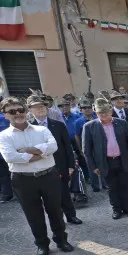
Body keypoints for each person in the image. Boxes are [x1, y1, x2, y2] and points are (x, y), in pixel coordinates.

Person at [0, 96, 74, 255]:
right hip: (23, 180)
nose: (18, 113)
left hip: (48, 176)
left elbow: (53, 146)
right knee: (33, 214)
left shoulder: (42, 130)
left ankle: (61, 240)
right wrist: (40, 152)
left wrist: (26, 150)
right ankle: (42, 244)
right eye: (12, 111)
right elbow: (10, 157)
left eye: (20, 109)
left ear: (25, 111)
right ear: (4, 114)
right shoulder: (3, 136)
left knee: (55, 211)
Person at [27, 95, 82, 225]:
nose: (40, 109)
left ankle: (71, 216)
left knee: (64, 192)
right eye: (36, 107)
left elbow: (67, 146)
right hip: (42, 167)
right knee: (50, 196)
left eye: (42, 106)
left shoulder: (58, 125)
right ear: (30, 110)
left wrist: (70, 165)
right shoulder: (29, 128)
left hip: (60, 165)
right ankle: (58, 219)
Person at [83, 98, 128, 219]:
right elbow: (86, 149)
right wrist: (93, 166)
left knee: (125, 185)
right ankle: (116, 209)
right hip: (105, 162)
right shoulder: (89, 127)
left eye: (106, 112)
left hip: (122, 159)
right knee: (112, 187)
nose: (104, 115)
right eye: (100, 113)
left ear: (111, 111)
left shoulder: (122, 123)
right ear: (96, 113)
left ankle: (127, 206)